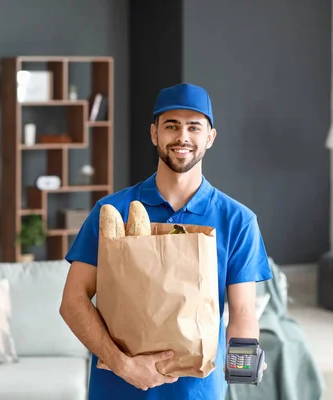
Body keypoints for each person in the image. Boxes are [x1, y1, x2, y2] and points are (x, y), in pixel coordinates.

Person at [59, 83, 273, 399]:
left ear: (210, 138)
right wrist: (122, 364)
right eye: (171, 126)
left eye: (194, 127)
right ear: (154, 134)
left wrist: (243, 370)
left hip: (196, 392)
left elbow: (242, 313)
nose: (182, 137)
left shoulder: (238, 221)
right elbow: (73, 301)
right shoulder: (112, 211)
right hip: (118, 389)